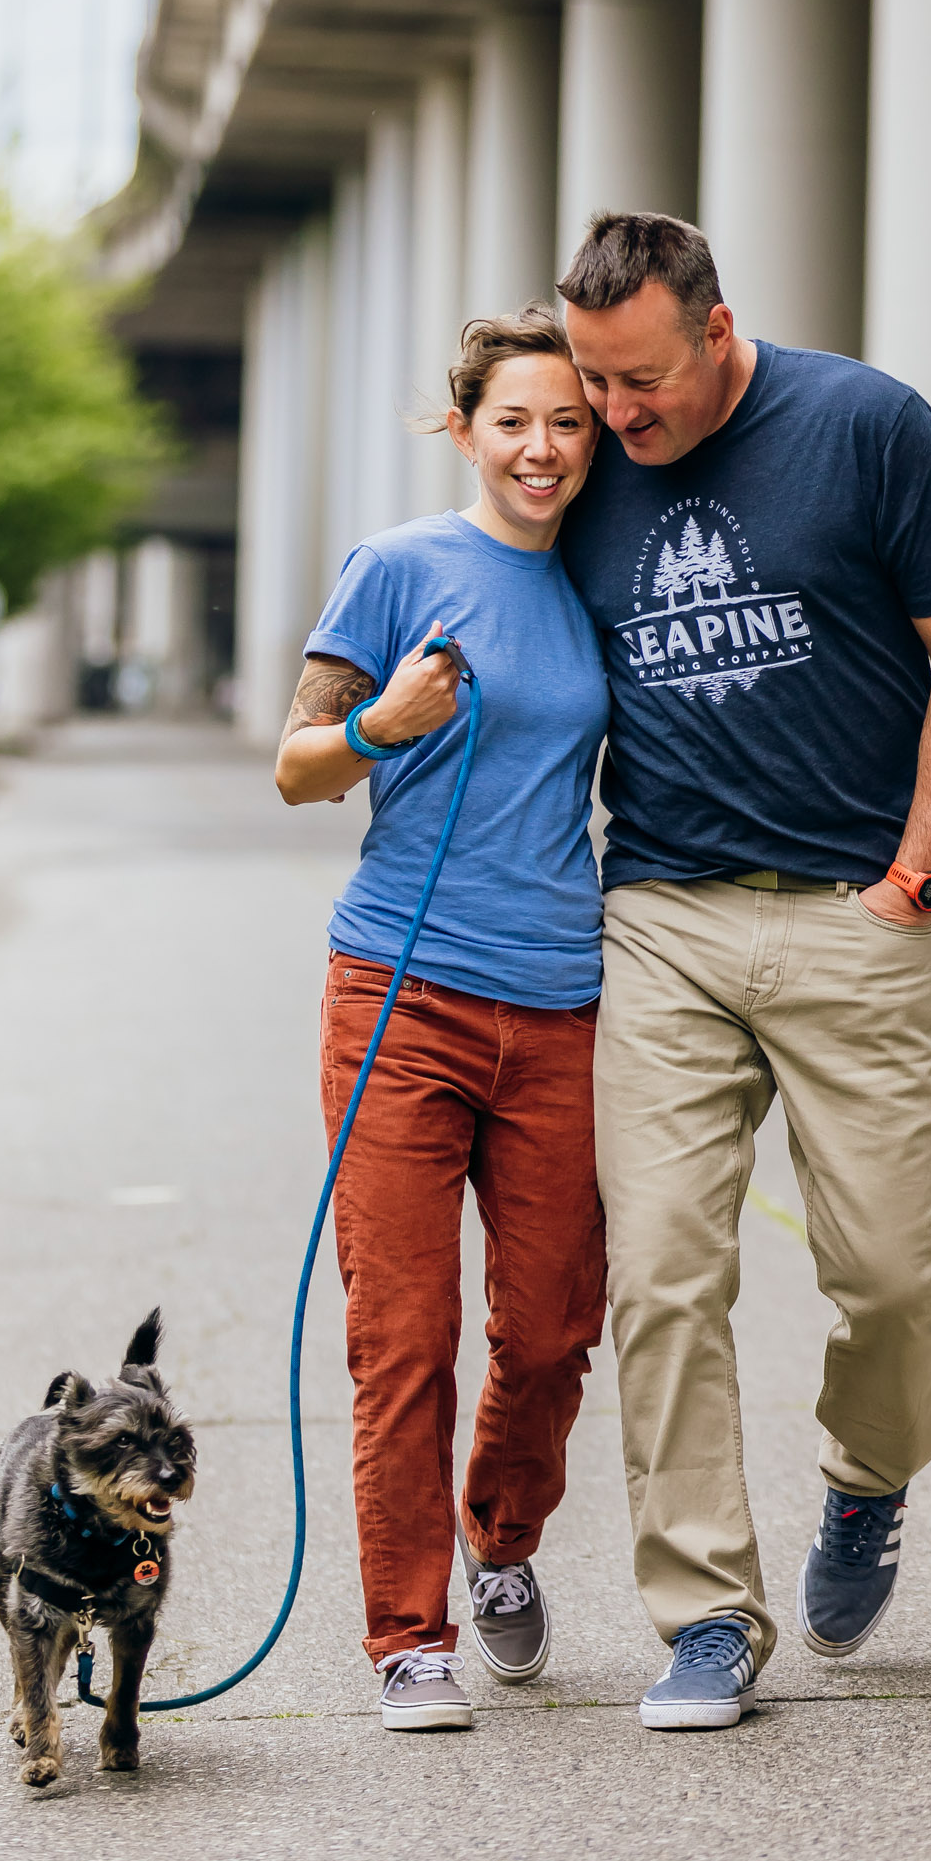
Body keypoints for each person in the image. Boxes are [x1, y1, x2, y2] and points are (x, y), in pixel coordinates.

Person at [556, 211, 931, 1731]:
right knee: (664, 1275)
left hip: (853, 913)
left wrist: (917, 874)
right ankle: (703, 1617)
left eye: (642, 383)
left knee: (890, 1272)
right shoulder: (591, 462)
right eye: (593, 382)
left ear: (717, 328)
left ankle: (867, 1478)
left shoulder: (866, 426)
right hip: (666, 921)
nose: (620, 417)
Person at [274, 304, 609, 1734]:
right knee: (402, 1335)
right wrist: (379, 728)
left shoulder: (603, 579)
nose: (542, 448)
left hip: (560, 1006)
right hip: (399, 999)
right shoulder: (399, 568)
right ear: (465, 428)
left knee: (549, 1327)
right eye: (516, 420)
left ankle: (504, 1538)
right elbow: (295, 768)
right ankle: (408, 1639)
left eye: (570, 423)